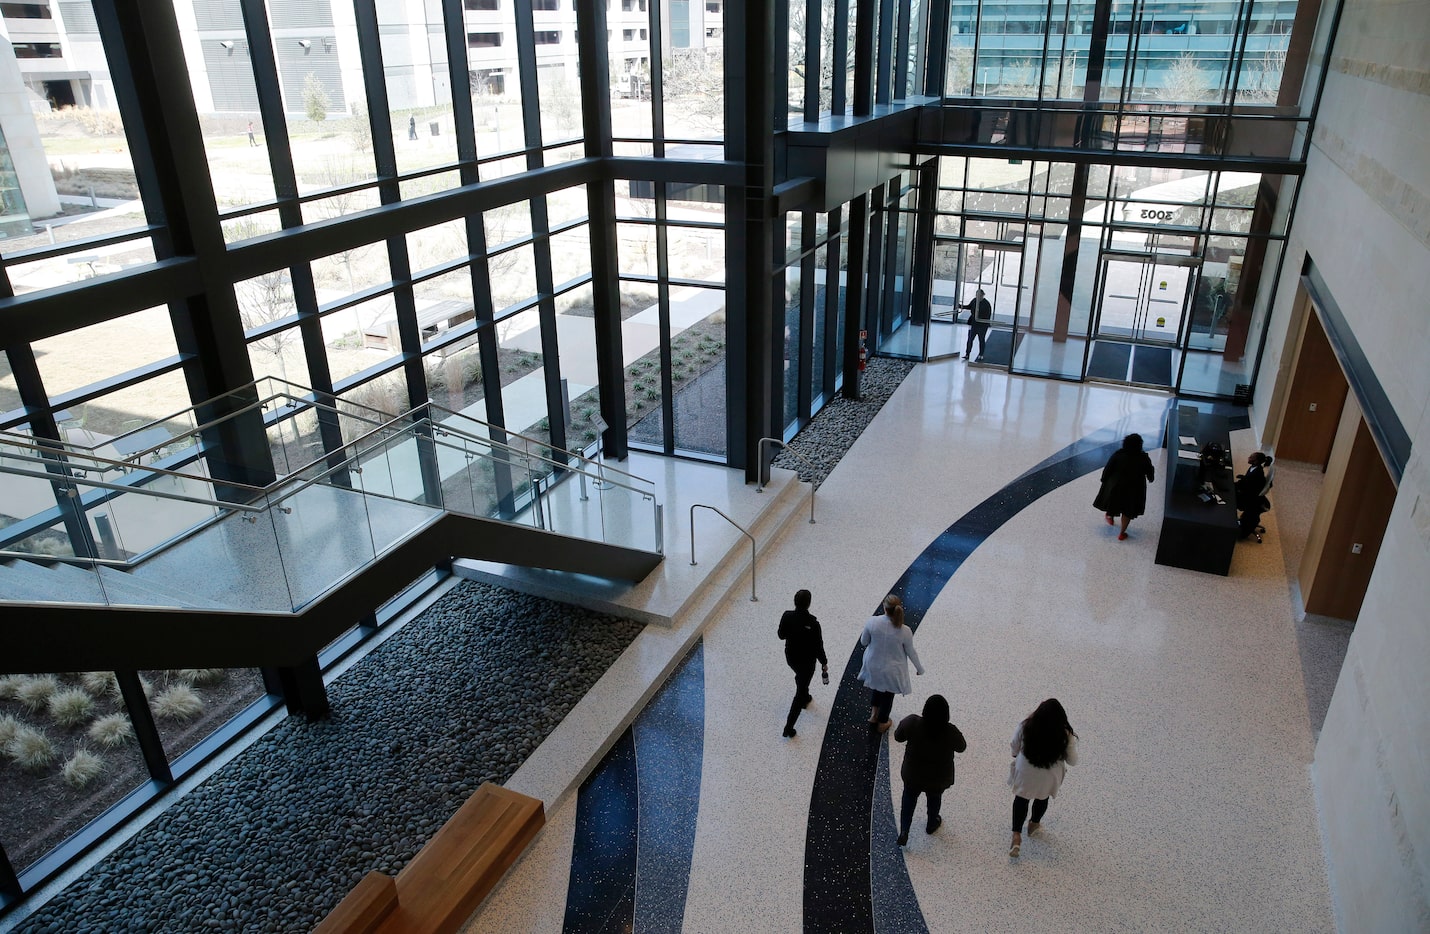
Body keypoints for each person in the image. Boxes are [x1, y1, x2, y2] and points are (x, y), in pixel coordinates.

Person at [1007, 698, 1078, 858]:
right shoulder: (1065, 734)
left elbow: (1014, 744)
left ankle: (1016, 836)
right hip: (1049, 775)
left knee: (1021, 799)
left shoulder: (1026, 725)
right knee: (1042, 798)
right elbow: (1073, 761)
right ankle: (1033, 824)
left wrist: (1016, 754)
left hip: (1026, 770)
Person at [893, 694, 967, 846]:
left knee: (908, 799)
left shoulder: (913, 723)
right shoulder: (950, 731)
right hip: (938, 778)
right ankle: (932, 823)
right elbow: (962, 747)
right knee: (934, 799)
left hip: (913, 774)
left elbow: (898, 736)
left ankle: (904, 831)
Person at [858, 594, 923, 732]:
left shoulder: (872, 622)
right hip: (892, 670)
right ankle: (883, 722)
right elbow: (911, 652)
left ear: (884, 607)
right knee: (888, 695)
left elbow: (864, 642)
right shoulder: (905, 630)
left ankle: (873, 715)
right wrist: (919, 668)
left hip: (873, 665)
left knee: (876, 688)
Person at [778, 588, 828, 738]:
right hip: (807, 662)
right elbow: (818, 646)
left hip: (791, 658)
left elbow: (781, 635)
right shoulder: (813, 623)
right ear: (809, 604)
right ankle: (789, 727)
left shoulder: (787, 616)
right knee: (799, 692)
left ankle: (805, 695)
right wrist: (824, 662)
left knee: (800, 678)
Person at [1093, 432, 1156, 540]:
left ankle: (1110, 516)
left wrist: (1104, 479)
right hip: (1135, 488)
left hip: (1116, 485)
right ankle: (1122, 533)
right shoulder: (1143, 457)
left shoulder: (1118, 455)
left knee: (1112, 502)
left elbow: (1108, 468)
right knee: (1128, 510)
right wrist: (1151, 478)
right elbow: (1149, 472)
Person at [1235, 452, 1274, 542]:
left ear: (1256, 461)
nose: (1249, 457)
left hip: (1251, 498)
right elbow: (1247, 482)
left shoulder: (1257, 474)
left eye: (1251, 457)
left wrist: (1238, 485)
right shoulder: (1254, 468)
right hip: (1250, 493)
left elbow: (1248, 487)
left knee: (1232, 498)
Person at [961, 289, 993, 361]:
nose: (977, 296)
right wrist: (961, 306)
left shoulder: (986, 304)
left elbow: (987, 316)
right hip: (974, 324)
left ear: (982, 295)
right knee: (970, 339)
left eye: (979, 295)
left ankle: (981, 354)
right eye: (977, 295)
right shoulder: (974, 300)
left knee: (981, 339)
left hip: (982, 325)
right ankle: (967, 354)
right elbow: (969, 306)